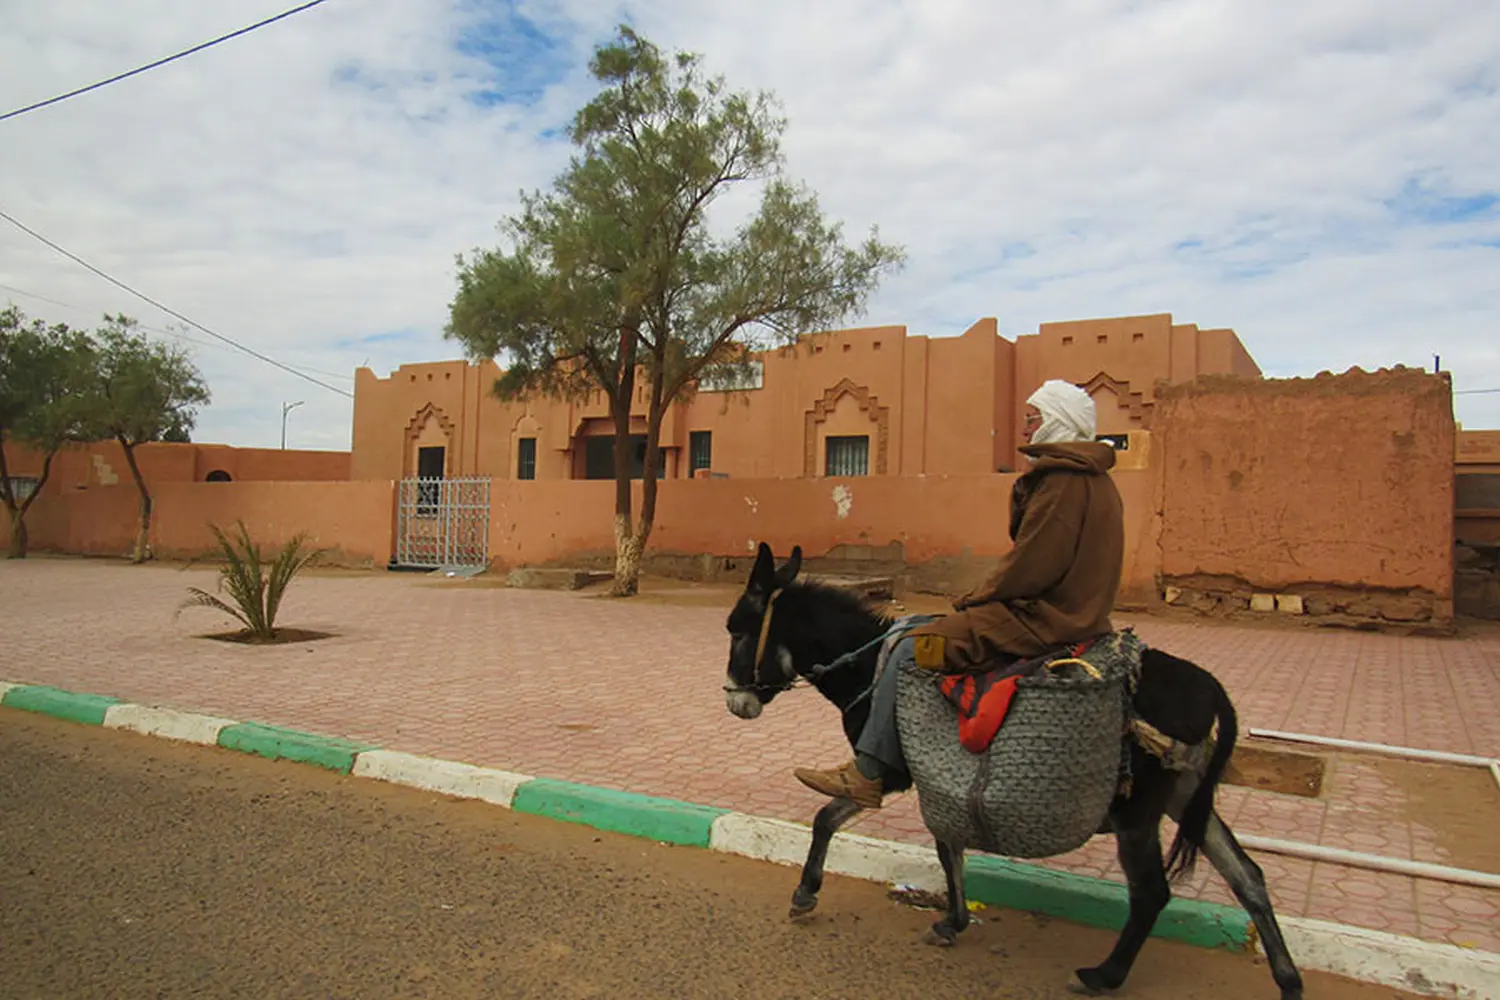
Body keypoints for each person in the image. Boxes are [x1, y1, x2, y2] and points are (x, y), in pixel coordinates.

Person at [793, 379, 1126, 809]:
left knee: (915, 646)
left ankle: (870, 772)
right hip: (1066, 611)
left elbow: (1032, 566)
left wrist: (976, 598)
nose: (1025, 429)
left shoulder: (1063, 482)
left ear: (1057, 421)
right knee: (909, 627)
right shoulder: (1094, 481)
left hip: (1045, 619)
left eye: (1033, 418)